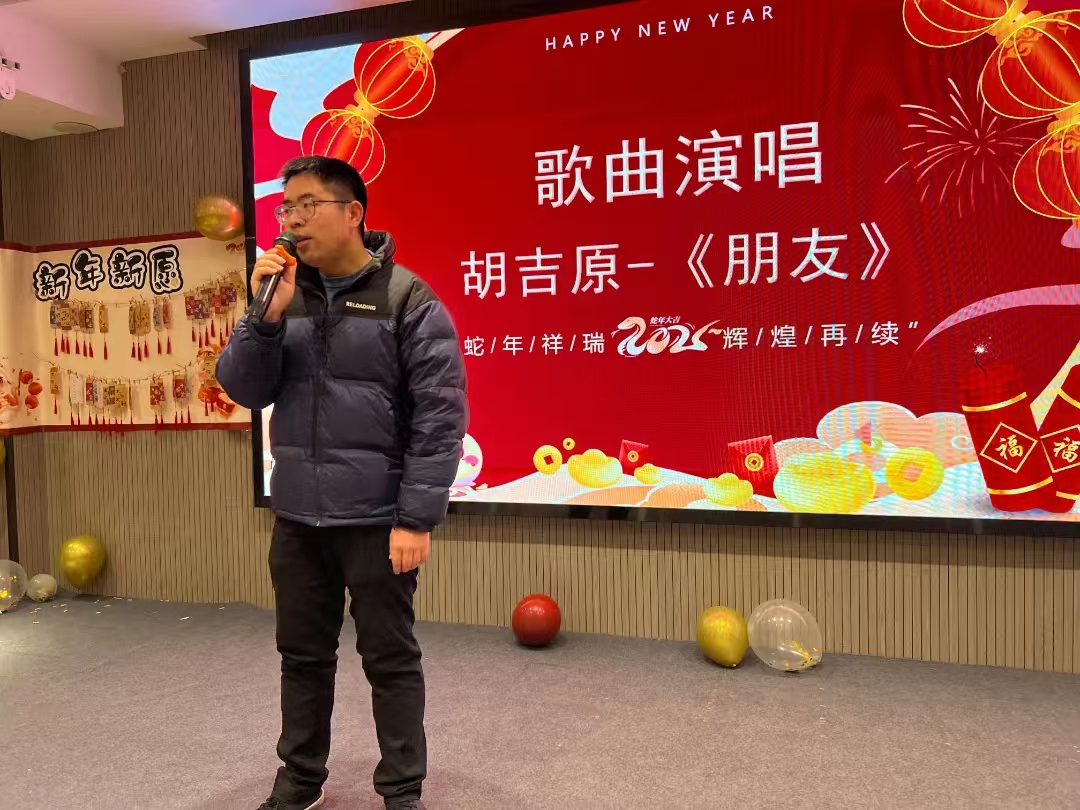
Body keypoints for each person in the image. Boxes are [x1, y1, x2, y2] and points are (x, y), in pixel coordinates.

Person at [216, 155, 468, 810]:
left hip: (378, 519)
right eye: (285, 208)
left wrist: (415, 518)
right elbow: (244, 387)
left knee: (389, 659)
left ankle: (402, 791)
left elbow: (440, 419)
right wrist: (263, 319)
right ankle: (300, 780)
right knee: (302, 656)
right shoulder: (282, 296)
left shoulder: (406, 298)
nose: (292, 220)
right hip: (298, 518)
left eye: (307, 205)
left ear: (353, 213)